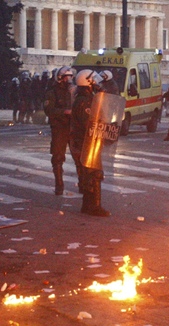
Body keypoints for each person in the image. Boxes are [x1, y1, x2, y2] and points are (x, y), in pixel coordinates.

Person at [71, 69, 110, 216]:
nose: (97, 83)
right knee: (93, 174)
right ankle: (94, 206)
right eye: (94, 80)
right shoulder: (84, 101)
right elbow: (89, 123)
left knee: (90, 174)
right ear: (88, 82)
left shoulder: (87, 98)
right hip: (86, 143)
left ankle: (89, 205)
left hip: (87, 142)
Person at [44, 66, 76, 195]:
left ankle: (83, 184)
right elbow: (49, 110)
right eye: (65, 77)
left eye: (70, 77)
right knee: (58, 157)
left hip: (73, 127)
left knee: (79, 157)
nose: (68, 79)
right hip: (59, 127)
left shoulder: (74, 91)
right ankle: (59, 185)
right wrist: (64, 111)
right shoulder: (52, 92)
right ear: (59, 78)